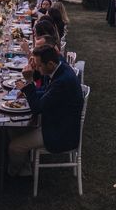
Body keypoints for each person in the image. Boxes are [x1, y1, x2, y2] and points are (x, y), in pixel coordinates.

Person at [8, 45, 84, 177]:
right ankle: (24, 168)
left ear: (50, 63)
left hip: (60, 132)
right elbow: (48, 92)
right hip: (57, 121)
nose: (36, 68)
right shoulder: (61, 68)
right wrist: (27, 90)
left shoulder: (62, 81)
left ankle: (13, 173)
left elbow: (37, 108)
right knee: (12, 127)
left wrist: (30, 82)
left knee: (15, 147)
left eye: (38, 65)